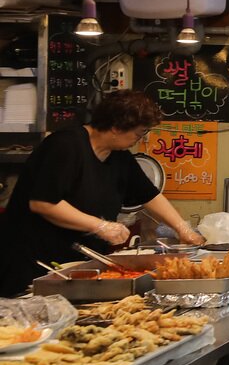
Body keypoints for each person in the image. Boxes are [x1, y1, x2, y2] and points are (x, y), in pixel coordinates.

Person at [0, 90, 204, 296]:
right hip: (34, 264)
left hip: (79, 264)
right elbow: (44, 203)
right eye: (139, 133)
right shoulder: (65, 146)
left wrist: (182, 228)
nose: (140, 139)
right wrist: (100, 226)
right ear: (115, 128)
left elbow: (149, 195)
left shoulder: (119, 157)